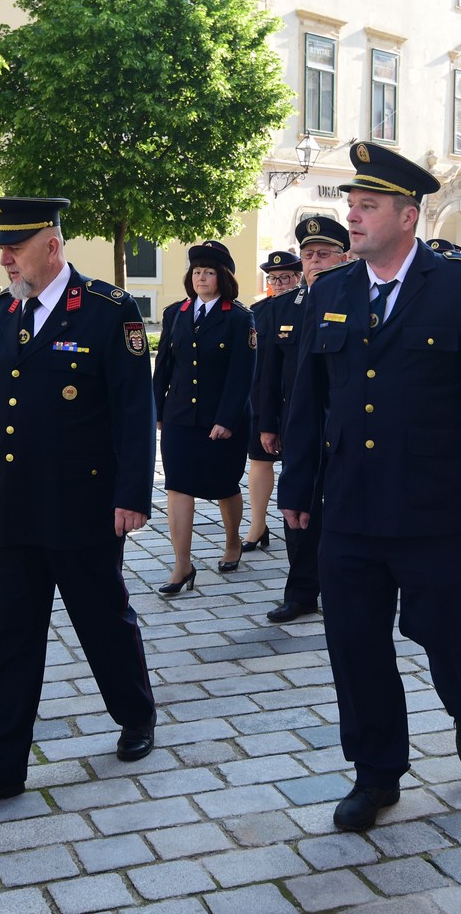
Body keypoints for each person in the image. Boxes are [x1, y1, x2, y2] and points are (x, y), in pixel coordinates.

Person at [278, 141, 461, 833]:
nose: (352, 218)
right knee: (354, 643)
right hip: (349, 504)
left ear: (407, 216)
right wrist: (297, 487)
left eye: (368, 206)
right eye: (352, 205)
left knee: (439, 627)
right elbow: (308, 400)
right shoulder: (330, 291)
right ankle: (376, 773)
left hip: (429, 504)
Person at [0, 196, 158, 818]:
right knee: (11, 637)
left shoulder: (108, 311)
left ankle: (135, 713)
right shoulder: (1, 313)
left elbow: (134, 410)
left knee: (102, 620)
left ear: (52, 245)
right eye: (2, 249)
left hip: (82, 505)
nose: (5, 259)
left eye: (15, 247)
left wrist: (131, 495)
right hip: (12, 506)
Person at [252, 216, 351, 623]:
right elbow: (268, 373)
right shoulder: (283, 307)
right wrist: (267, 423)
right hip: (299, 424)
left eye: (324, 254)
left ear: (344, 258)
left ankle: (347, 588)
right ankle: (302, 591)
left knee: (344, 506)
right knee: (297, 507)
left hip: (347, 424)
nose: (315, 262)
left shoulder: (355, 301)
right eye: (308, 255)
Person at [154, 240, 257, 591]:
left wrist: (226, 420)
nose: (201, 278)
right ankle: (182, 564)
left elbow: (242, 374)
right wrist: (157, 410)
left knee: (224, 485)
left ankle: (232, 542)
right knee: (177, 485)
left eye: (209, 272)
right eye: (196, 271)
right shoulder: (176, 314)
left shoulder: (240, 318)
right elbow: (163, 366)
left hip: (223, 418)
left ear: (222, 277)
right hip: (180, 415)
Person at [241, 251, 302, 557]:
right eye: (273, 278)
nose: (278, 284)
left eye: (285, 278)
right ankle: (257, 524)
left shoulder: (307, 306)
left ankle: (297, 520)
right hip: (261, 395)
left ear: (298, 278)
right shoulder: (257, 311)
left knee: (296, 462)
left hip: (294, 396)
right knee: (260, 460)